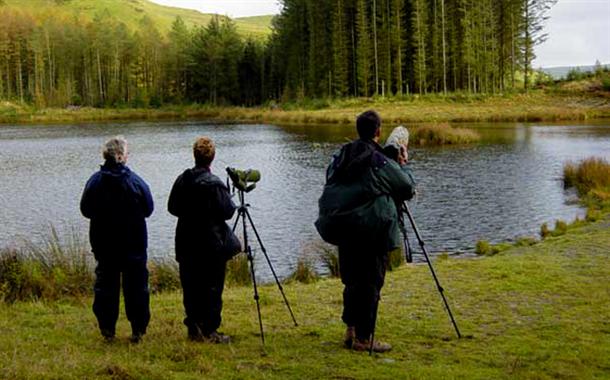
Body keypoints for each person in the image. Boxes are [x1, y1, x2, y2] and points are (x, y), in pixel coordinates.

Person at [316, 110, 416, 353]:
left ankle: (350, 330)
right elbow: (406, 187)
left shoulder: (341, 155)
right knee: (371, 283)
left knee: (351, 281)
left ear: (357, 130)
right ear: (378, 132)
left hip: (344, 228)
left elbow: (330, 177)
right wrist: (402, 164)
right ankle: (363, 338)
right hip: (372, 231)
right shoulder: (379, 160)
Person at [80, 136, 154, 343]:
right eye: (127, 152)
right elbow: (149, 209)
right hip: (134, 245)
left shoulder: (95, 182)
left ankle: (107, 330)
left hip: (104, 245)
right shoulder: (136, 182)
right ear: (121, 156)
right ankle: (138, 330)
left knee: (105, 288)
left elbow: (85, 210)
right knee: (137, 288)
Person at [168, 136, 237, 343]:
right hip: (210, 244)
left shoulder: (182, 179)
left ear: (194, 155)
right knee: (212, 287)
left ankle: (194, 328)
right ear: (212, 158)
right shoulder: (215, 184)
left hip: (187, 241)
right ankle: (210, 331)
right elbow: (228, 212)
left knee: (190, 286)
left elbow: (172, 208)